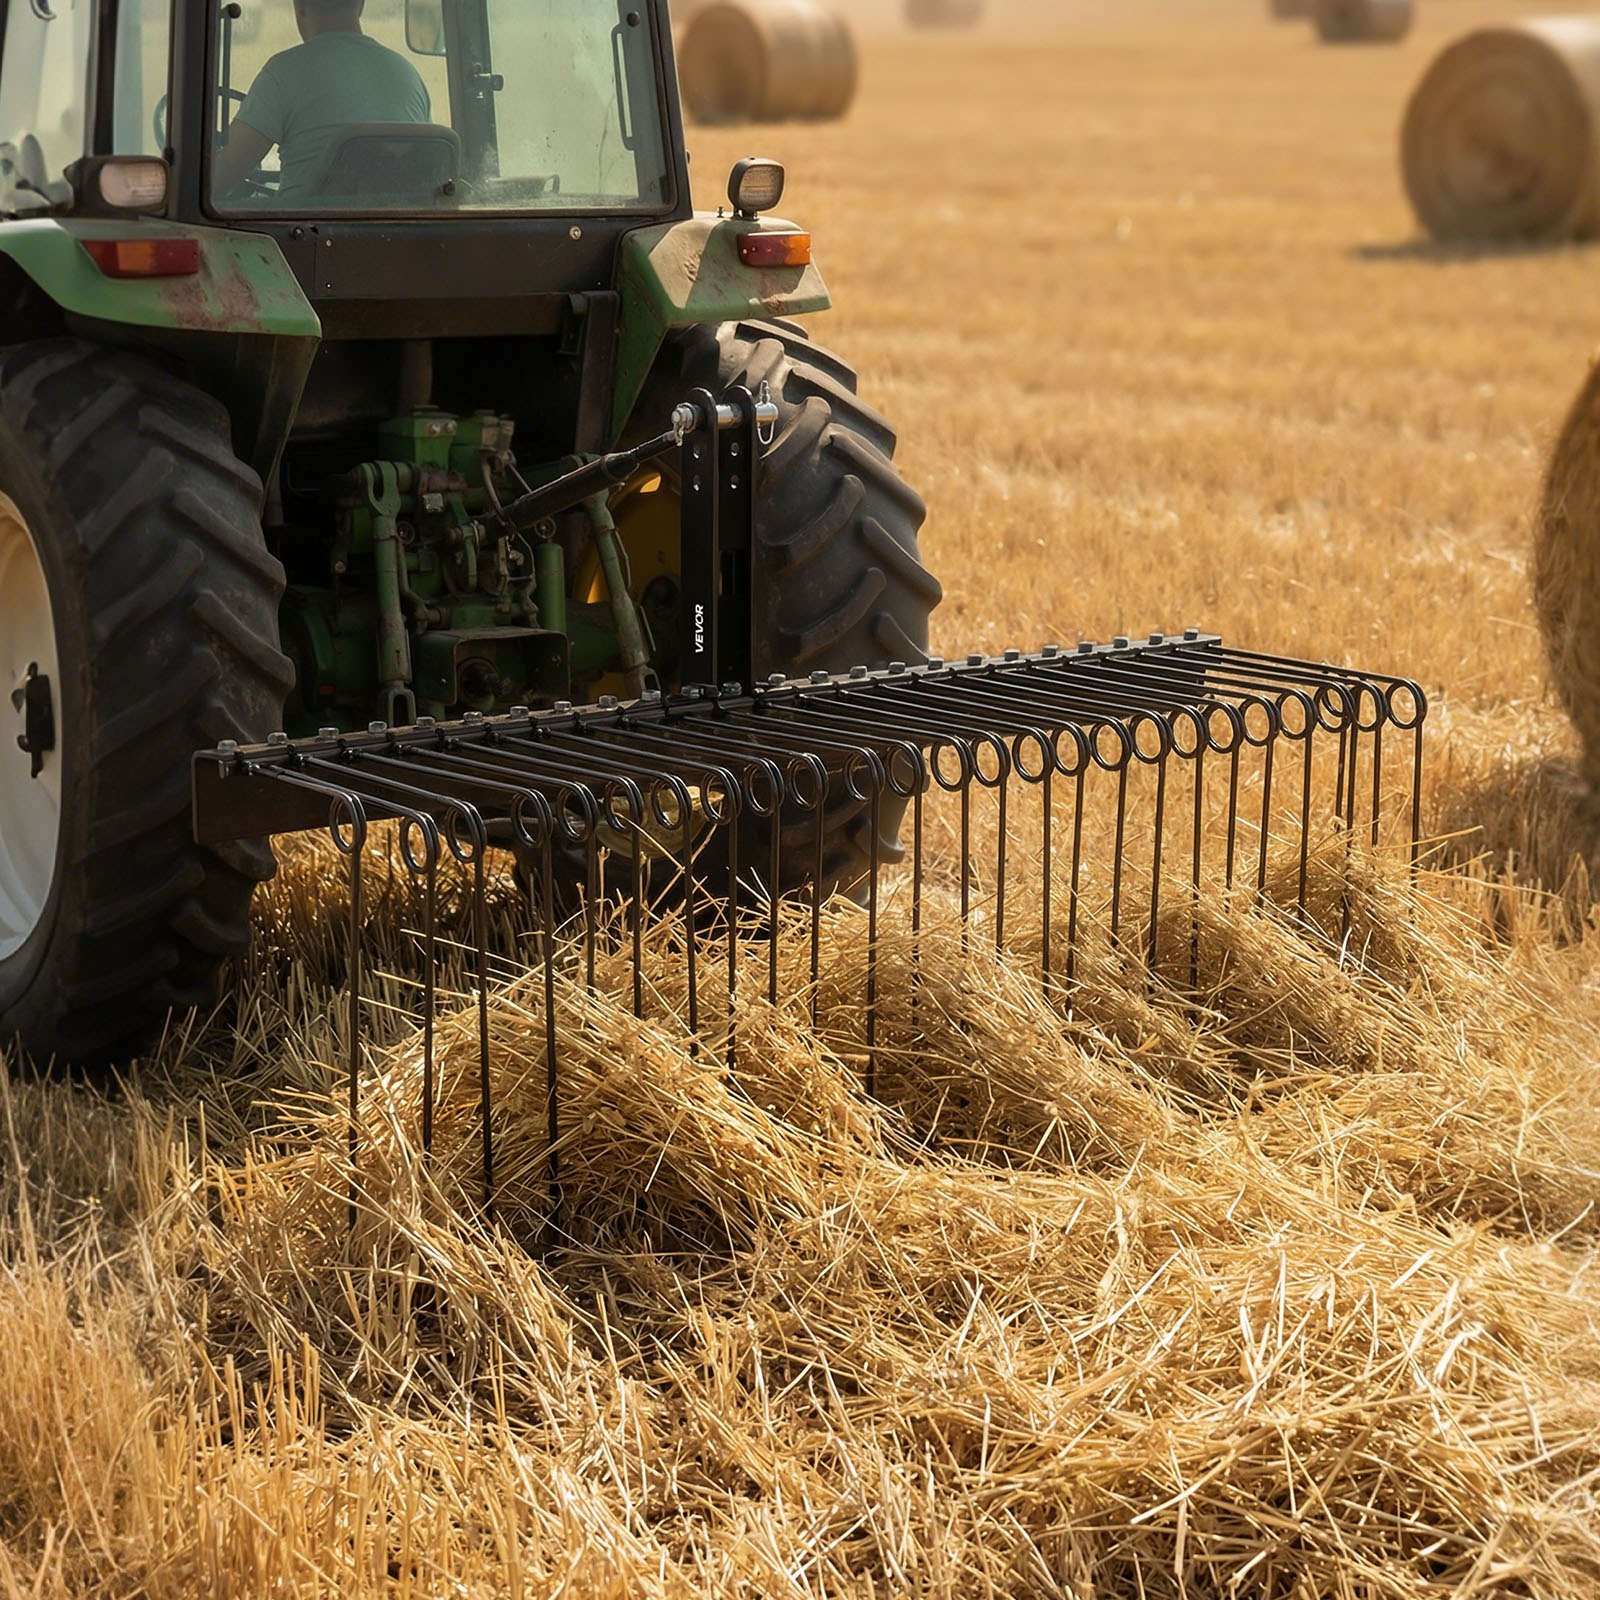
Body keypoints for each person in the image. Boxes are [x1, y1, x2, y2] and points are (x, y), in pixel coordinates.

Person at [212, 0, 431, 203]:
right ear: (361, 4)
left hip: (301, 240)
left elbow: (225, 174)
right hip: (397, 239)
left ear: (300, 6)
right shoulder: (408, 74)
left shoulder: (285, 71)